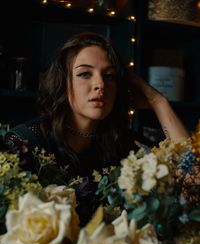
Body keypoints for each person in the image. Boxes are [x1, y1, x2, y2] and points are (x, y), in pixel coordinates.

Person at [5, 32, 189, 179]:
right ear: (63, 82)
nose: (100, 84)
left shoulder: (125, 144)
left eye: (110, 76)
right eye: (85, 74)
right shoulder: (26, 140)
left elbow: (192, 176)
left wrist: (158, 102)